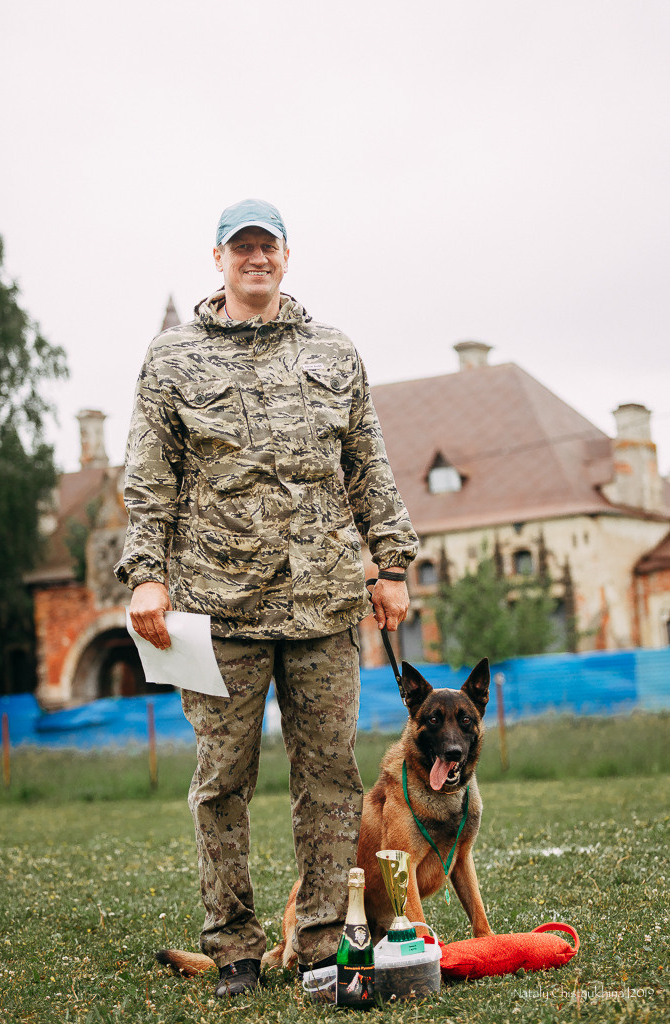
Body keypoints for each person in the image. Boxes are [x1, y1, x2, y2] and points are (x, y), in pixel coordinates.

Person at [115, 198, 418, 997]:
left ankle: (322, 938)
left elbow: (368, 464)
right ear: (216, 258)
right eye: (239, 246)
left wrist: (390, 565)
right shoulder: (172, 358)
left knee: (331, 778)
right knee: (222, 780)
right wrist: (147, 571)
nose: (255, 257)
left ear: (285, 255)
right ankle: (235, 946)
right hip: (218, 609)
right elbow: (150, 477)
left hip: (322, 603)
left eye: (267, 245)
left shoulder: (334, 351)